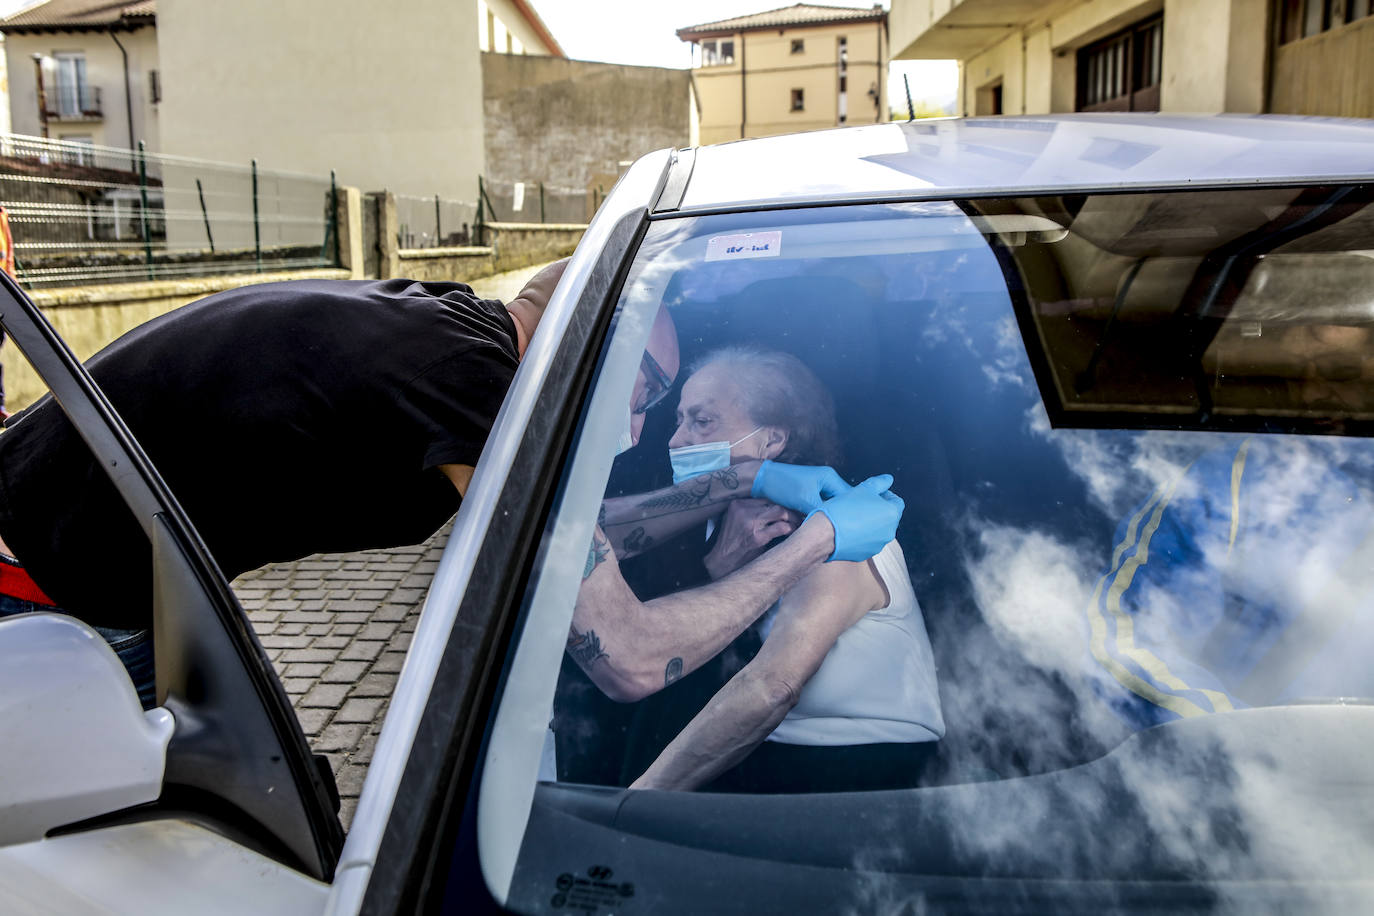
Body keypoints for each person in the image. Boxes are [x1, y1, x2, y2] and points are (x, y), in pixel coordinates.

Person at [0, 259, 572, 707]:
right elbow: (551, 563)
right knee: (155, 799)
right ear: (569, 345)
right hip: (53, 572)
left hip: (80, 544)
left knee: (233, 775)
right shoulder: (475, 375)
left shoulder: (447, 319)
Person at [623, 347, 943, 793]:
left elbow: (773, 688)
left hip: (863, 785)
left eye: (702, 421)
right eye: (679, 420)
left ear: (772, 440)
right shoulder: (711, 532)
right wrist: (717, 568)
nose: (676, 440)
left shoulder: (847, 531)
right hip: (762, 773)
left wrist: (634, 803)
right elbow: (658, 667)